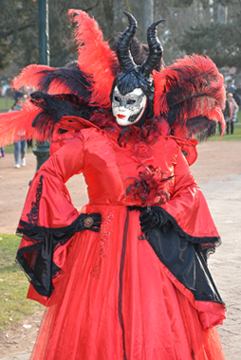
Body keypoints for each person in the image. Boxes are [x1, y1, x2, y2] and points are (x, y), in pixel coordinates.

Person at [0, 10, 226, 360]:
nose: (123, 108)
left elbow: (189, 190)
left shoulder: (165, 143)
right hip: (100, 251)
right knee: (96, 325)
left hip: (157, 254)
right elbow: (50, 174)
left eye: (133, 99)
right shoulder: (92, 140)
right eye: (118, 98)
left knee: (156, 326)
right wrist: (71, 221)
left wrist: (168, 213)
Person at [9, 96, 27, 167]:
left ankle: (23, 158)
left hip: (24, 132)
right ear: (15, 103)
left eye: (20, 103)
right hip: (15, 132)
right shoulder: (11, 110)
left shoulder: (25, 110)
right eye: (18, 103)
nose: (19, 104)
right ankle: (17, 162)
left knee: (23, 148)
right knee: (17, 147)